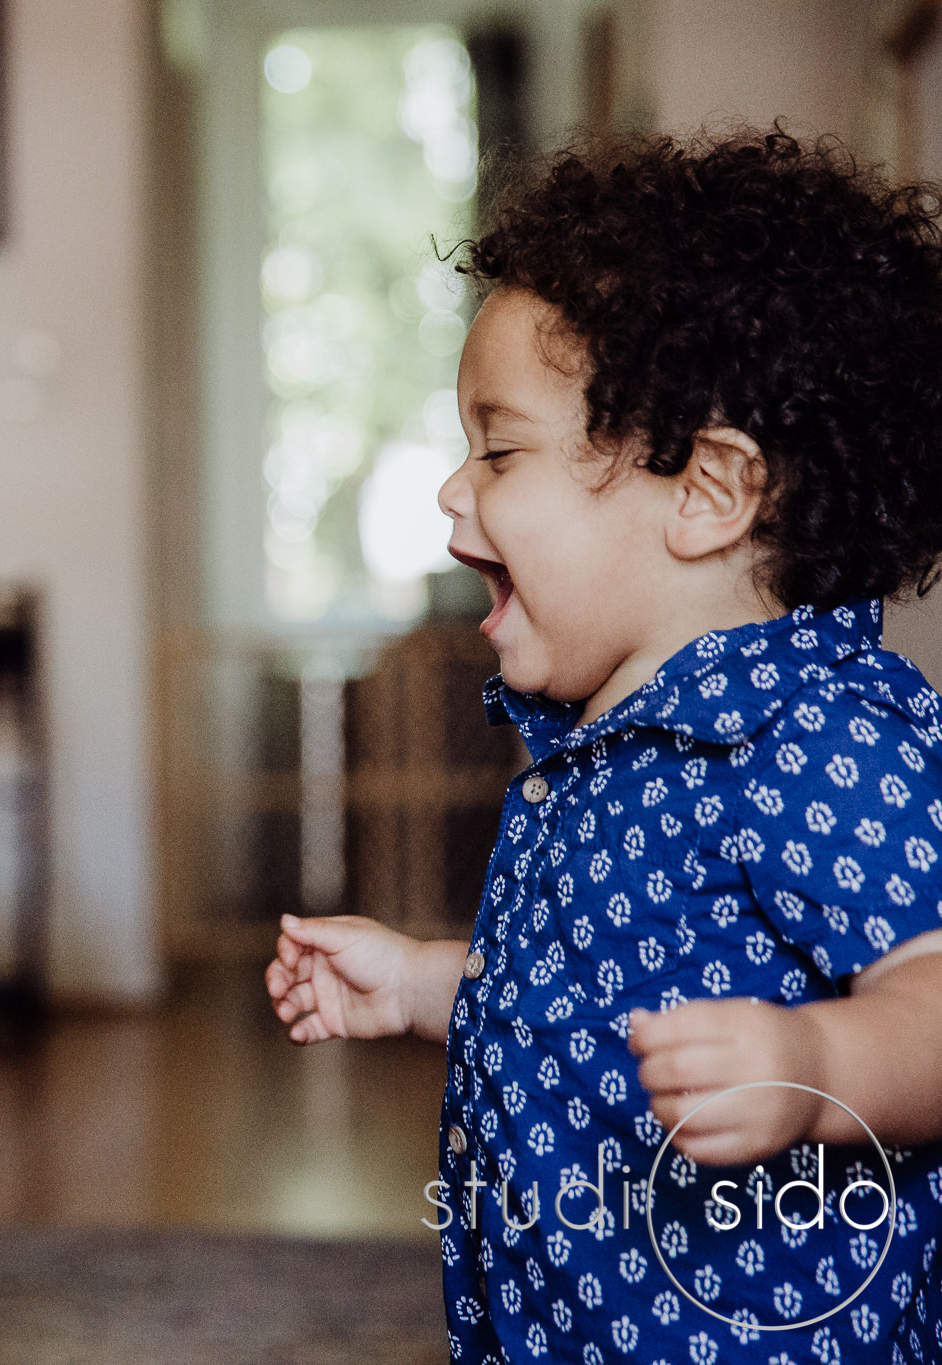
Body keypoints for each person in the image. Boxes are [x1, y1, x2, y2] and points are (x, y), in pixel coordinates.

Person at [265, 130, 942, 1364]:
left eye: (499, 449)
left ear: (706, 493)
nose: (450, 494)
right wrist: (424, 984)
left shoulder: (811, 737)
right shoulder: (608, 745)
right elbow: (590, 994)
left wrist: (810, 1062)